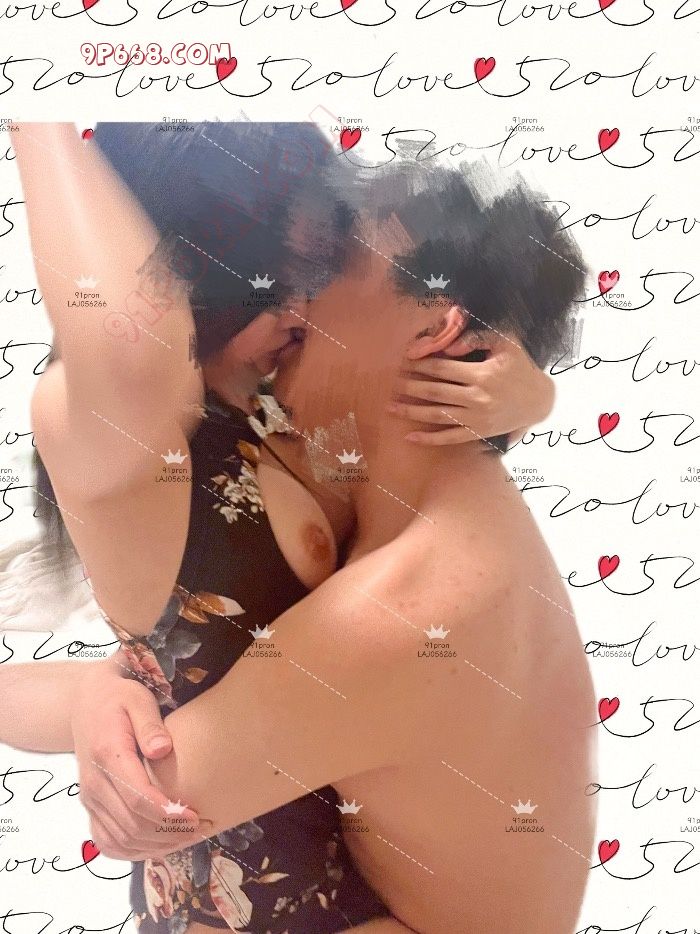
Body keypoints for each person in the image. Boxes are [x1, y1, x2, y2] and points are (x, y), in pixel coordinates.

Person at [1, 123, 594, 934]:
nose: (303, 303)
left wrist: (109, 699)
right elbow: (128, 347)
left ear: (437, 332)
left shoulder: (402, 586)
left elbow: (157, 795)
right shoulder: (256, 439)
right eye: (292, 269)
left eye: (330, 267)